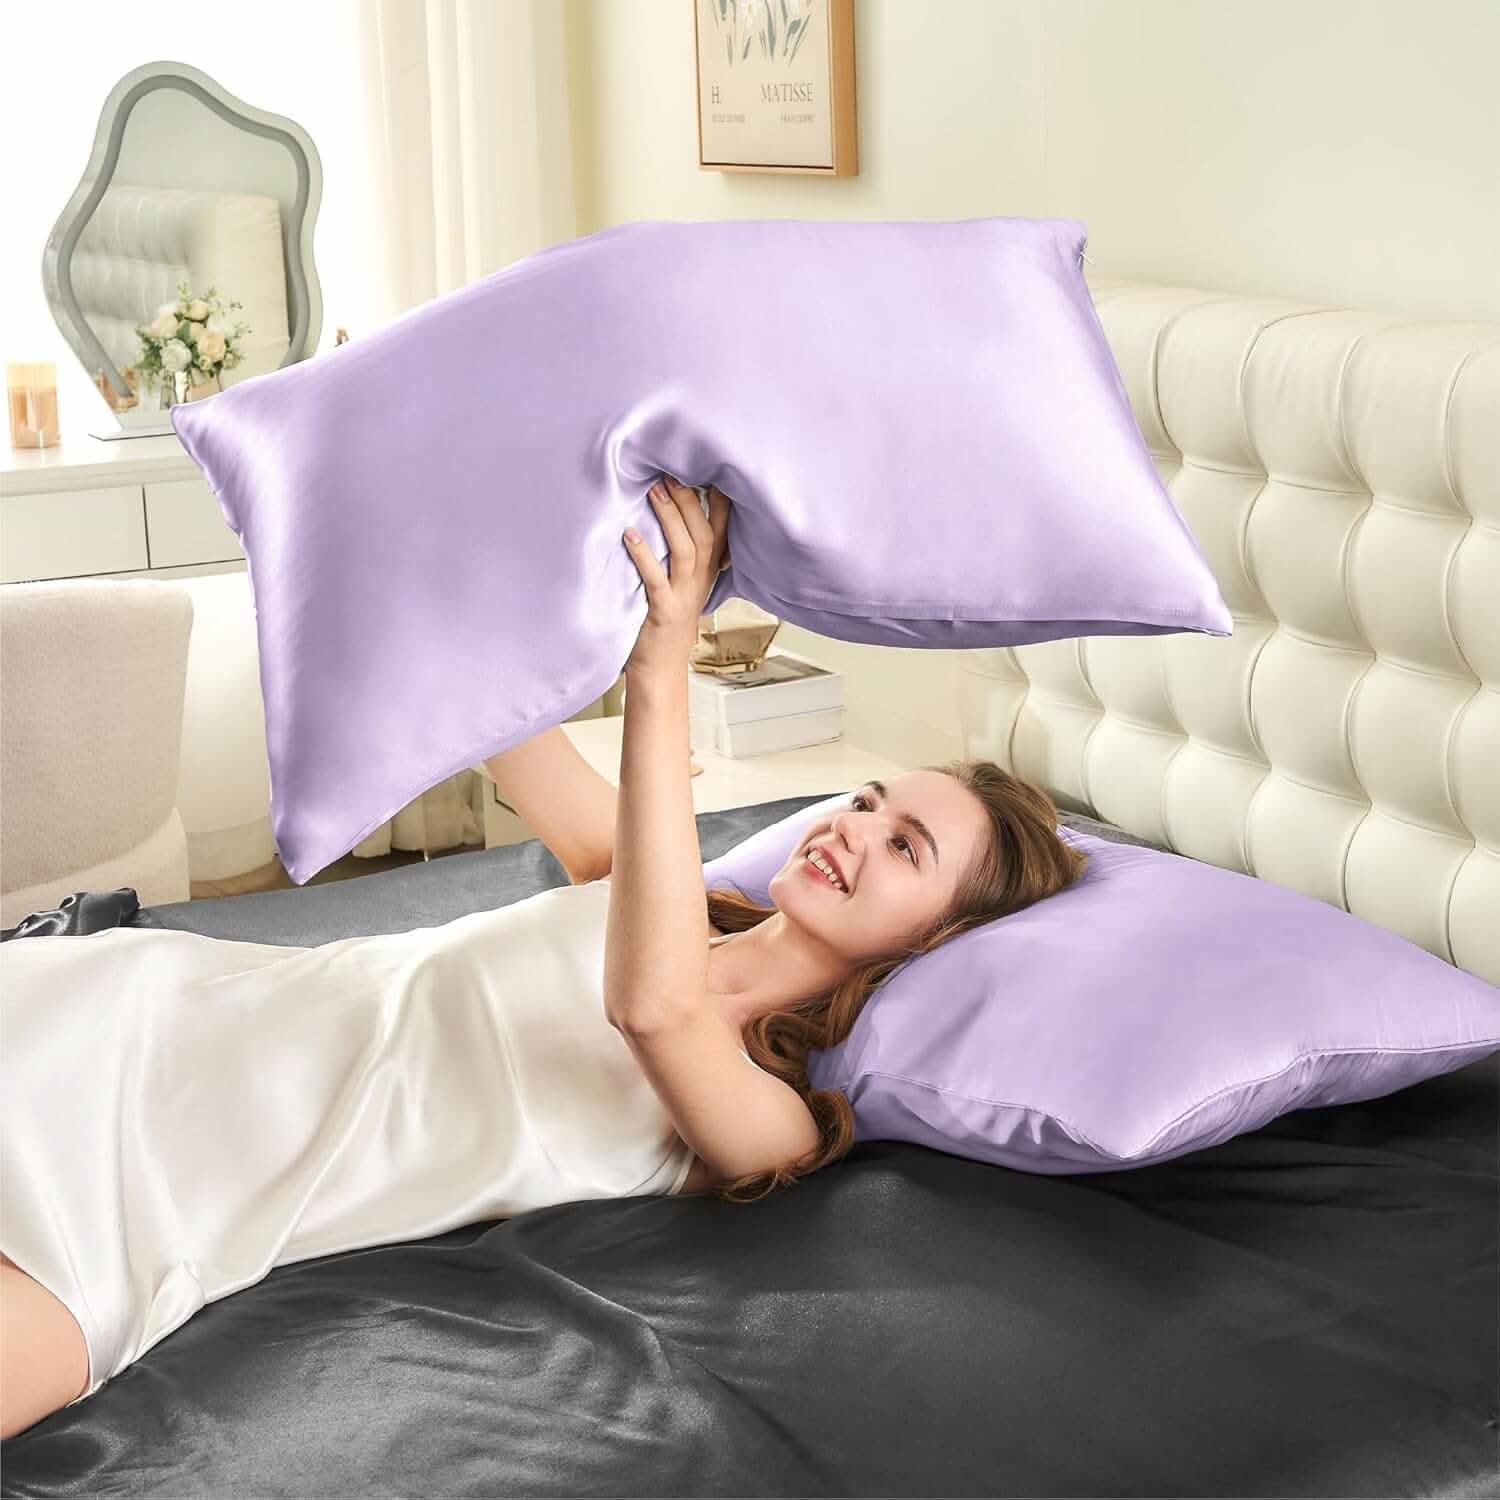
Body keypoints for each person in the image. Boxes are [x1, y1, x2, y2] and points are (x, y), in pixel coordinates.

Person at [0, 476, 1086, 1439]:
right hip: (144, 1020)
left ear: (936, 940)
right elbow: (494, 720)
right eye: (866, 799)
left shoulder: (773, 1120)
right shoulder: (646, 879)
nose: (850, 827)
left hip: (193, 1198)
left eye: (906, 847)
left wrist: (661, 666)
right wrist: (457, 524)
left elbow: (653, 1011)